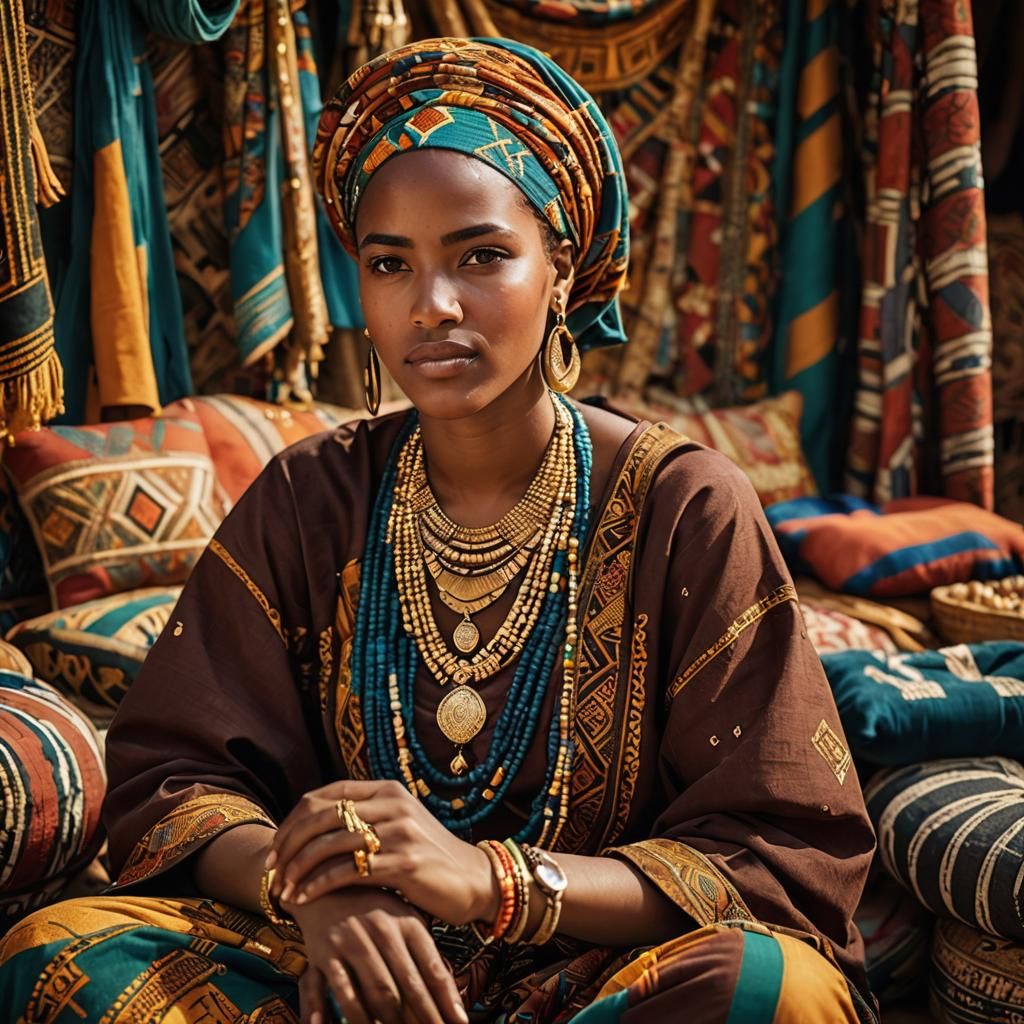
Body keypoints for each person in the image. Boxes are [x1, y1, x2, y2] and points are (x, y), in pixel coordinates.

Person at [0, 37, 877, 1024]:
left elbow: (774, 847)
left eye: (482, 255)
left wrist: (495, 882)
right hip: (353, 966)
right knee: (54, 955)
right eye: (389, 264)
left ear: (561, 270)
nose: (433, 306)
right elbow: (174, 775)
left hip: (596, 972)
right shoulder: (309, 496)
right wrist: (313, 885)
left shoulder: (684, 505)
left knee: (775, 993)